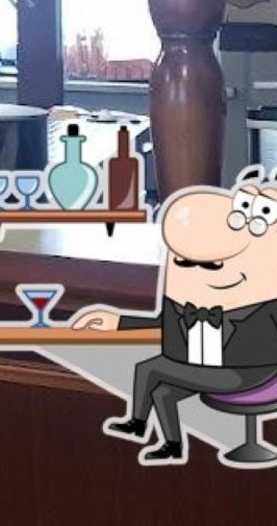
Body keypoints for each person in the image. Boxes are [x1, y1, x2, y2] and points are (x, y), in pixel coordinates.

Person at [66, 170, 277, 465]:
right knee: (163, 390)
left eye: (213, 264)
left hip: (249, 373)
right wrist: (116, 321)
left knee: (152, 369)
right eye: (184, 263)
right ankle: (172, 444)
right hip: (205, 367)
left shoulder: (264, 305)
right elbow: (160, 326)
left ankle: (138, 423)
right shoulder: (185, 303)